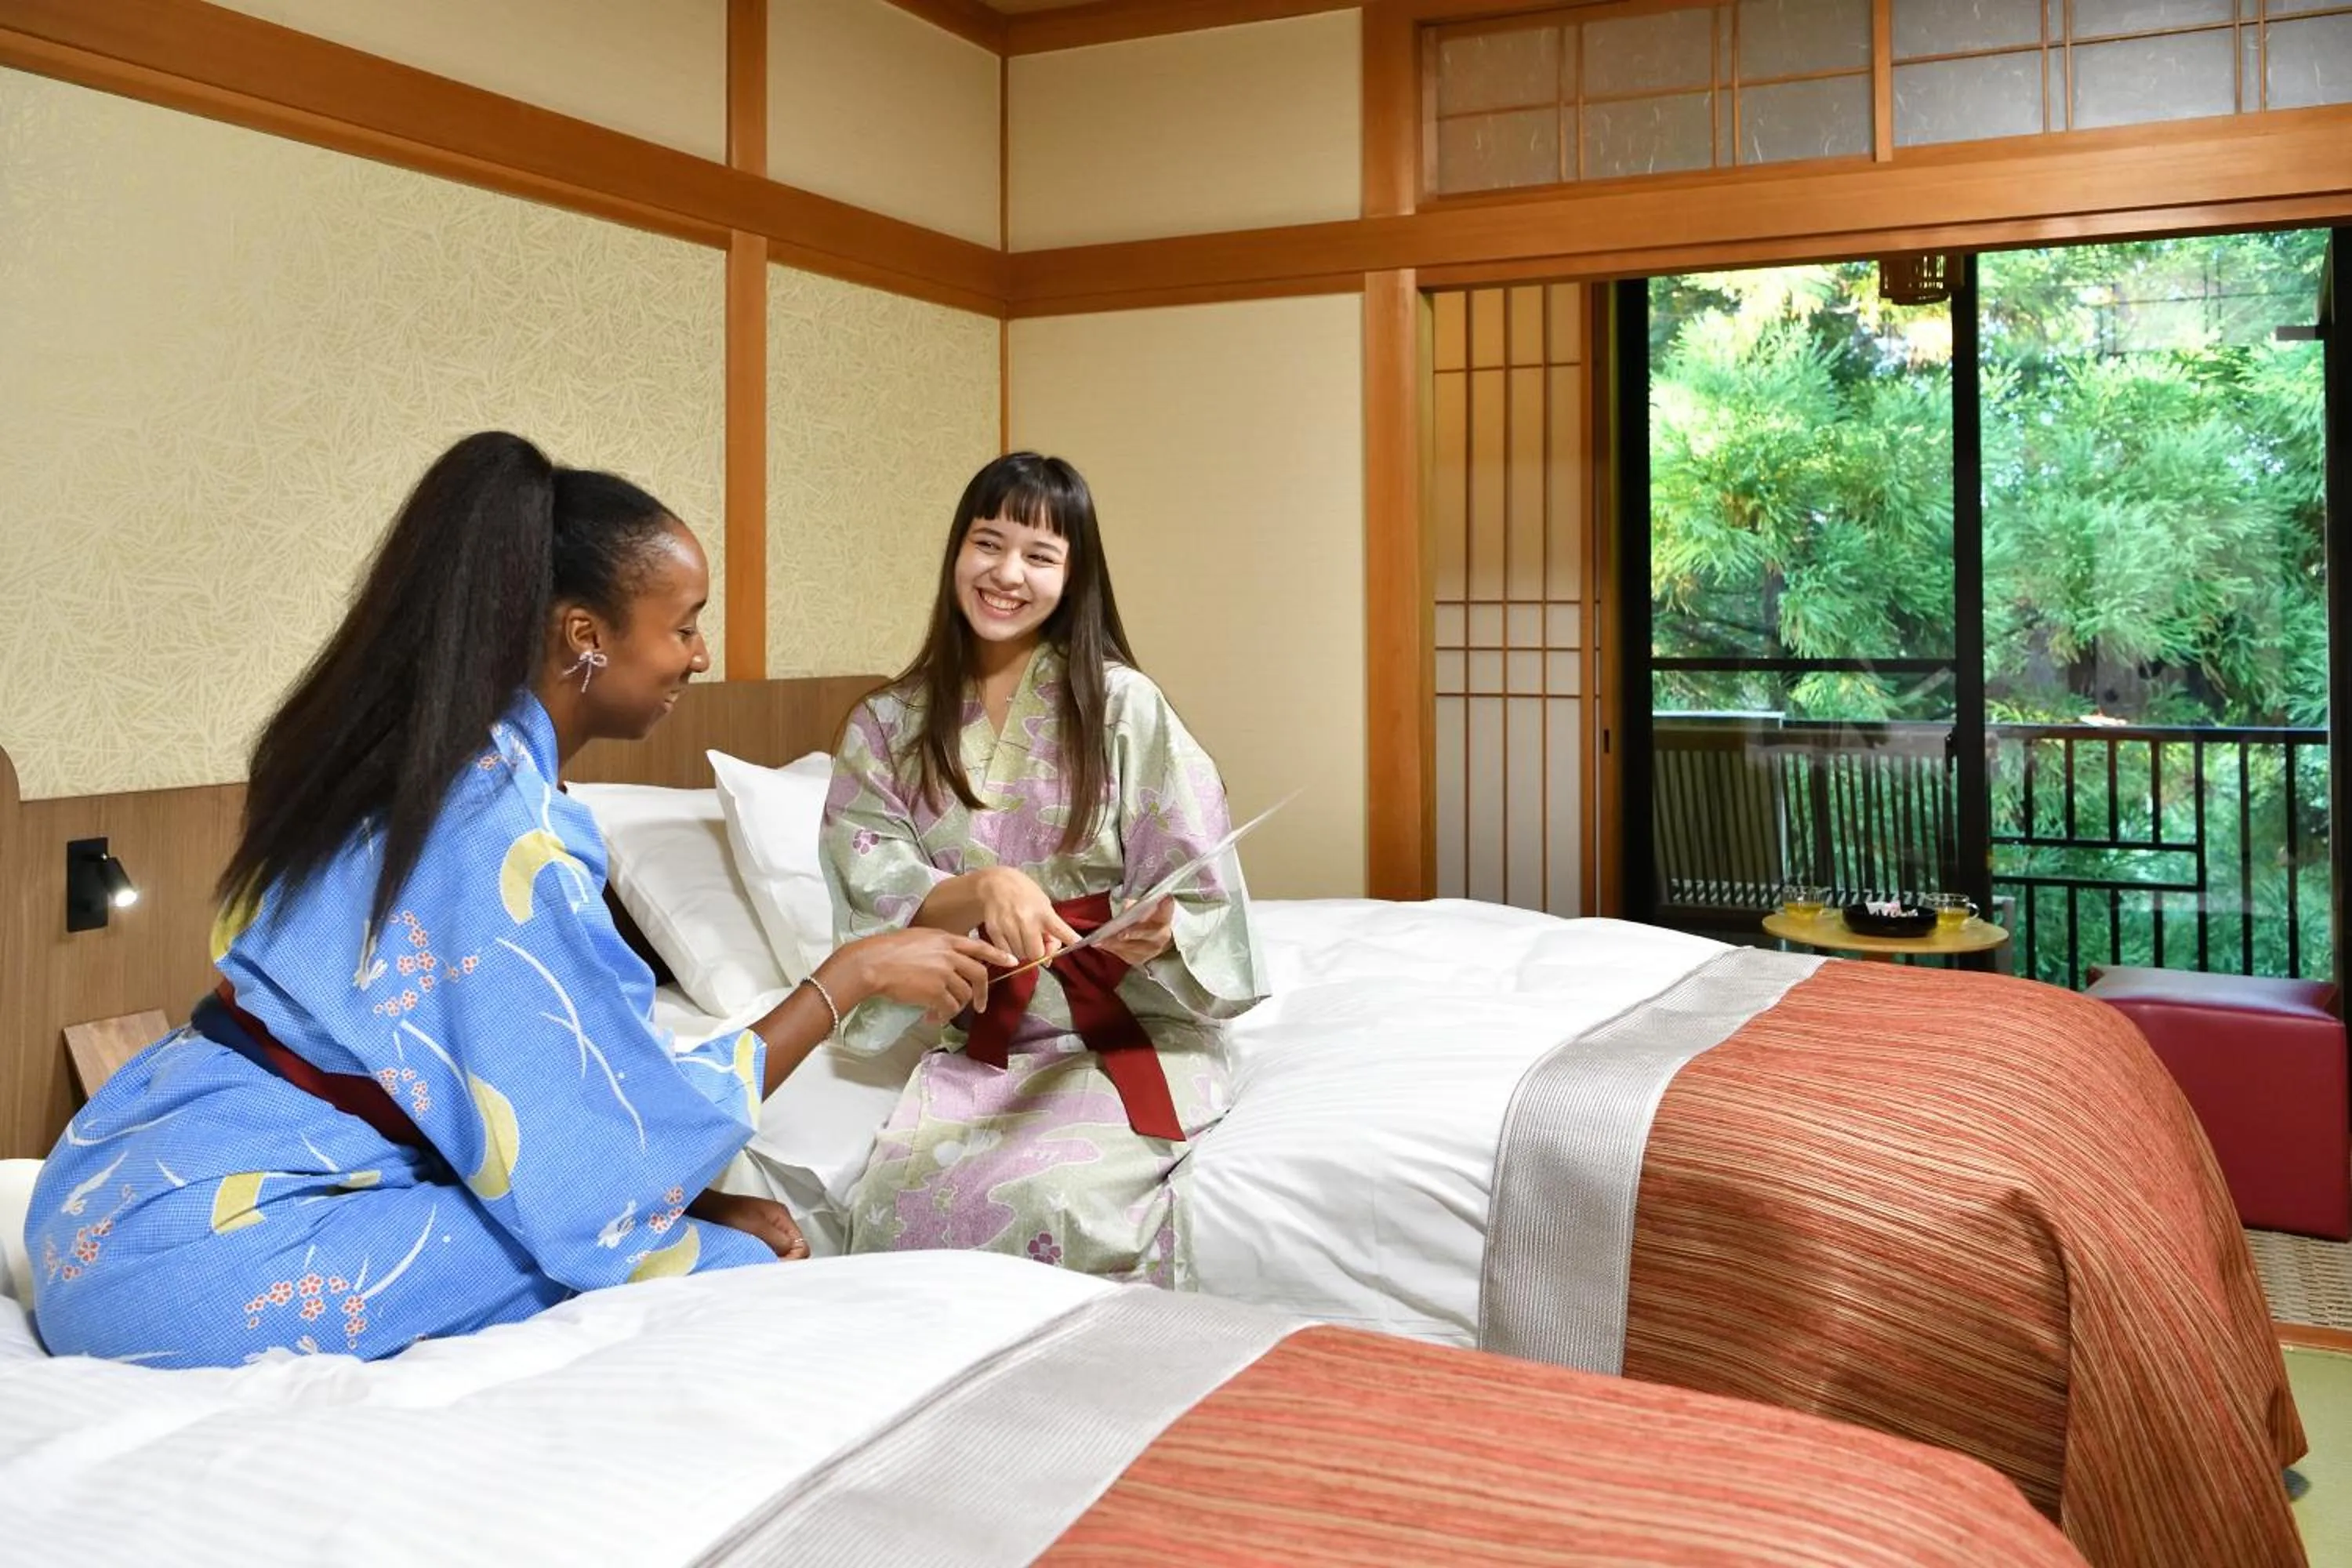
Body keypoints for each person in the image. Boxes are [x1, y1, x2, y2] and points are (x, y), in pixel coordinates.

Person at [25, 431, 1007, 1368]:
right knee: (742, 1264)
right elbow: (608, 1141)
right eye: (685, 623)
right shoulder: (503, 831)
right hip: (195, 1264)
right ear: (584, 634)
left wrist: (686, 1202)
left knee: (698, 1226)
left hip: (108, 1181)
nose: (700, 655)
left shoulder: (414, 766)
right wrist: (853, 972)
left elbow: (506, 1105)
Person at [822, 452, 1261, 1286]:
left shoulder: (1124, 705)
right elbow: (868, 898)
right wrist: (984, 887)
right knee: (894, 1206)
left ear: (1075, 573)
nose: (1007, 573)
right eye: (989, 543)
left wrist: (1157, 934)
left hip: (1128, 1025)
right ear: (958, 551)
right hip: (985, 1037)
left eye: (1040, 554)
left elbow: (1201, 884)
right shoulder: (885, 725)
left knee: (1059, 1201)